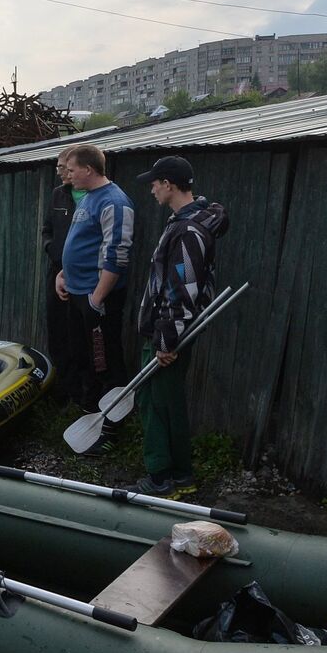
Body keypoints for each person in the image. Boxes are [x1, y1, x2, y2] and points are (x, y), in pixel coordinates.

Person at [131, 156, 229, 495]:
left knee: (155, 403)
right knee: (165, 402)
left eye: (155, 183)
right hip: (168, 332)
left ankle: (161, 478)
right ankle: (181, 476)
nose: (152, 190)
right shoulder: (183, 223)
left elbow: (183, 290)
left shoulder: (188, 231)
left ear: (170, 184)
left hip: (169, 334)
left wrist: (166, 341)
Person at [53, 143, 133, 410]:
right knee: (82, 355)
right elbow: (82, 245)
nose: (68, 174)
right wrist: (63, 274)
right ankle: (90, 409)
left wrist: (96, 301)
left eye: (72, 170)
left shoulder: (115, 202)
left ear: (88, 169)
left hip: (96, 299)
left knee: (104, 361)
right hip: (76, 292)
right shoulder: (88, 196)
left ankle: (111, 422)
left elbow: (116, 256)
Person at [41, 153, 92, 405]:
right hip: (57, 271)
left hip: (84, 276)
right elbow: (47, 229)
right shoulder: (58, 195)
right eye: (59, 168)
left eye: (64, 168)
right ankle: (63, 388)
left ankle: (84, 394)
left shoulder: (94, 197)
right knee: (57, 329)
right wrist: (51, 249)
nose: (61, 173)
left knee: (81, 334)